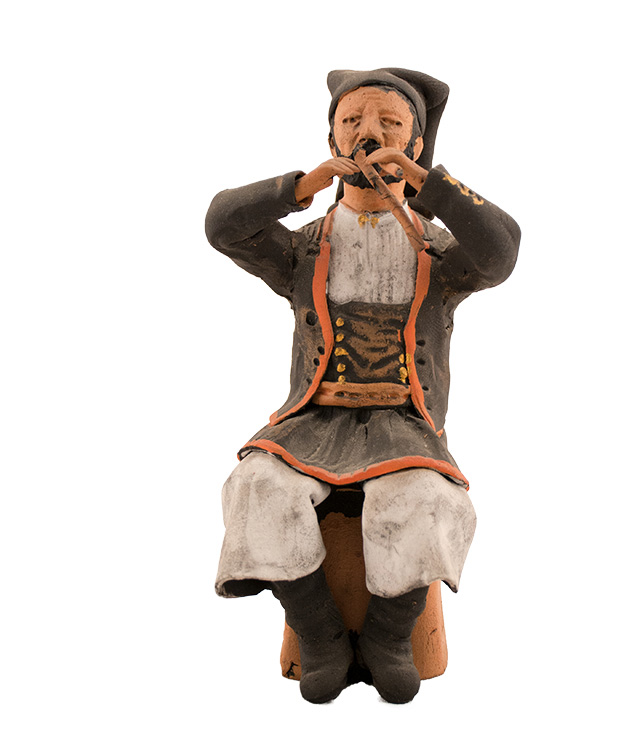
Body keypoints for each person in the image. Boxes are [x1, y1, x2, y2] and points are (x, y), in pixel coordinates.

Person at [205, 68, 521, 704]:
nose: (368, 135)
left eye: (389, 124)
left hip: (404, 424)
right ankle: (318, 631)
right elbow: (222, 226)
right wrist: (301, 186)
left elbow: (501, 251)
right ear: (332, 138)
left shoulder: (438, 252)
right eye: (352, 122)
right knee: (256, 485)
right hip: (311, 422)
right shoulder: (304, 250)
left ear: (415, 144)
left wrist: (430, 186)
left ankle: (389, 636)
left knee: (423, 496)